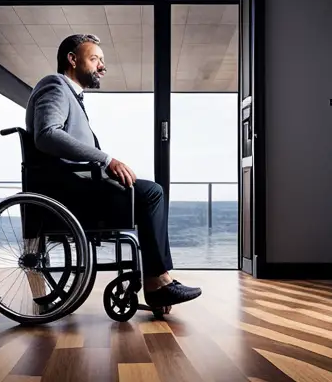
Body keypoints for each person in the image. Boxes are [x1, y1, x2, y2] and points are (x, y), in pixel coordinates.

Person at [25, 33, 202, 310]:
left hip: (74, 186)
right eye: (95, 59)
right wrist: (107, 160)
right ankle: (158, 284)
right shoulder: (55, 85)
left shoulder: (71, 95)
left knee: (144, 191)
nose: (102, 67)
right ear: (72, 60)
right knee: (151, 193)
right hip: (67, 193)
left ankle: (159, 281)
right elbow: (47, 135)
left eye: (102, 61)